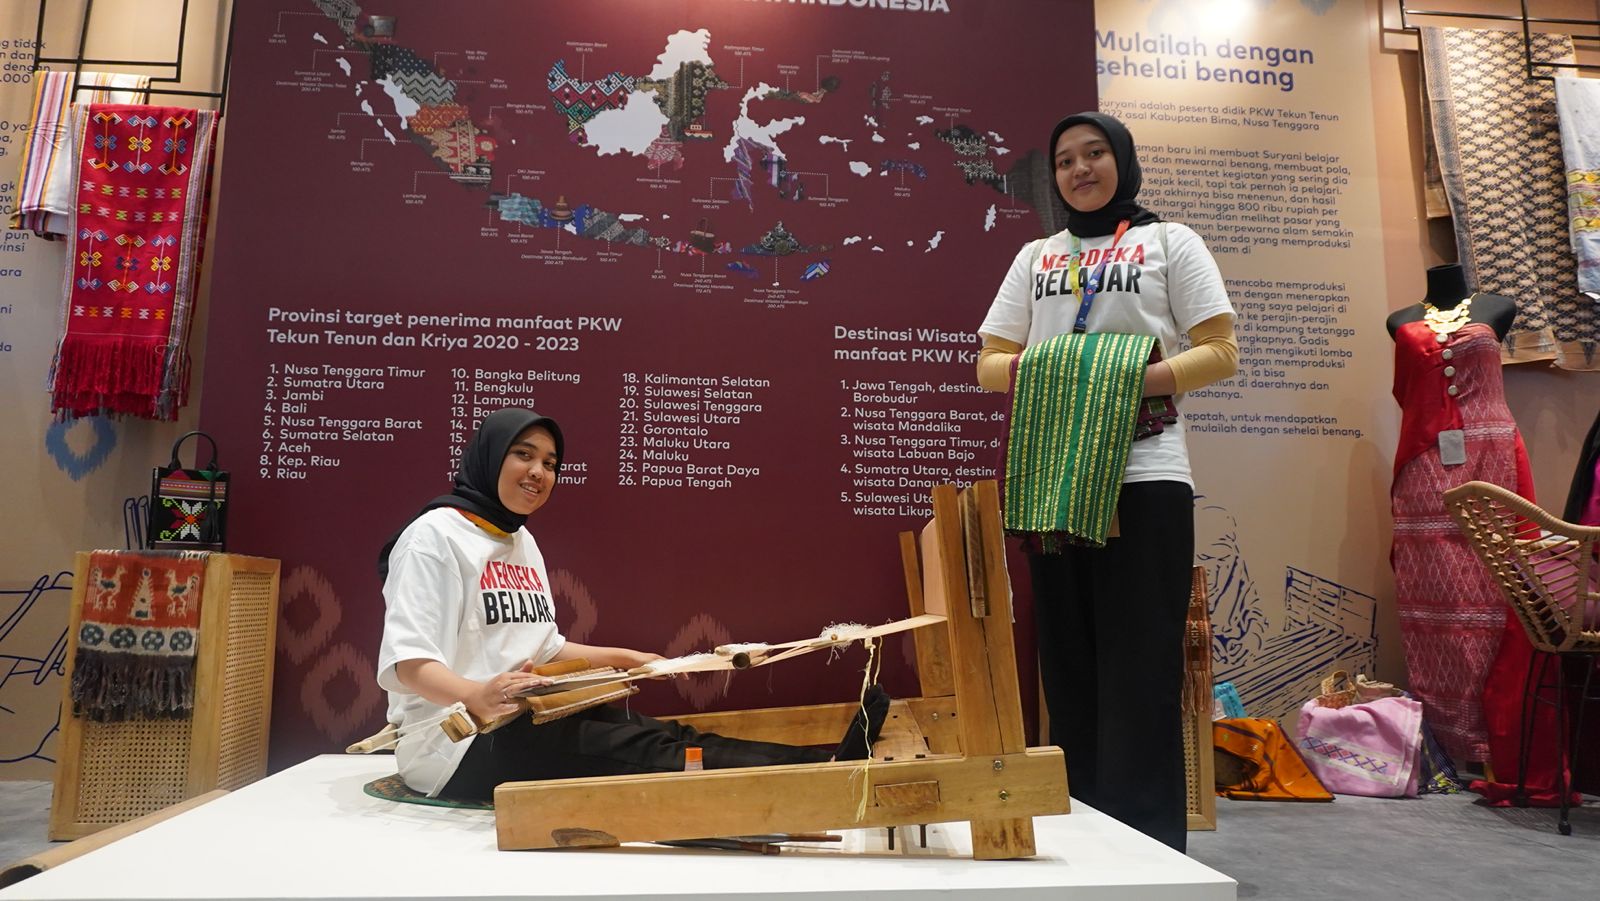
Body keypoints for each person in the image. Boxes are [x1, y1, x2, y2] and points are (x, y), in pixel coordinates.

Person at [377, 407, 888, 801]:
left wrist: (631, 659)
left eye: (550, 463)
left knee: (666, 734)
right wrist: (475, 693)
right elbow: (408, 663)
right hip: (454, 749)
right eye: (524, 455)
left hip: (526, 716)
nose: (538, 472)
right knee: (643, 753)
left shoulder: (520, 541)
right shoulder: (433, 538)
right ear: (490, 457)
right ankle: (825, 778)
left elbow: (545, 647)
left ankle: (826, 764)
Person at [975, 111, 1237, 851]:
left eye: (1094, 153)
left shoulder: (1170, 242)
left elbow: (1220, 351)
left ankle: (1147, 848)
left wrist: (1121, 379)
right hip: (1053, 478)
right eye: (1065, 160)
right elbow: (990, 363)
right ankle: (1084, 839)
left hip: (1145, 475)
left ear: (1122, 159)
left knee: (1140, 664)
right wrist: (1071, 371)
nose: (1079, 169)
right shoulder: (1037, 256)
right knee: (1068, 665)